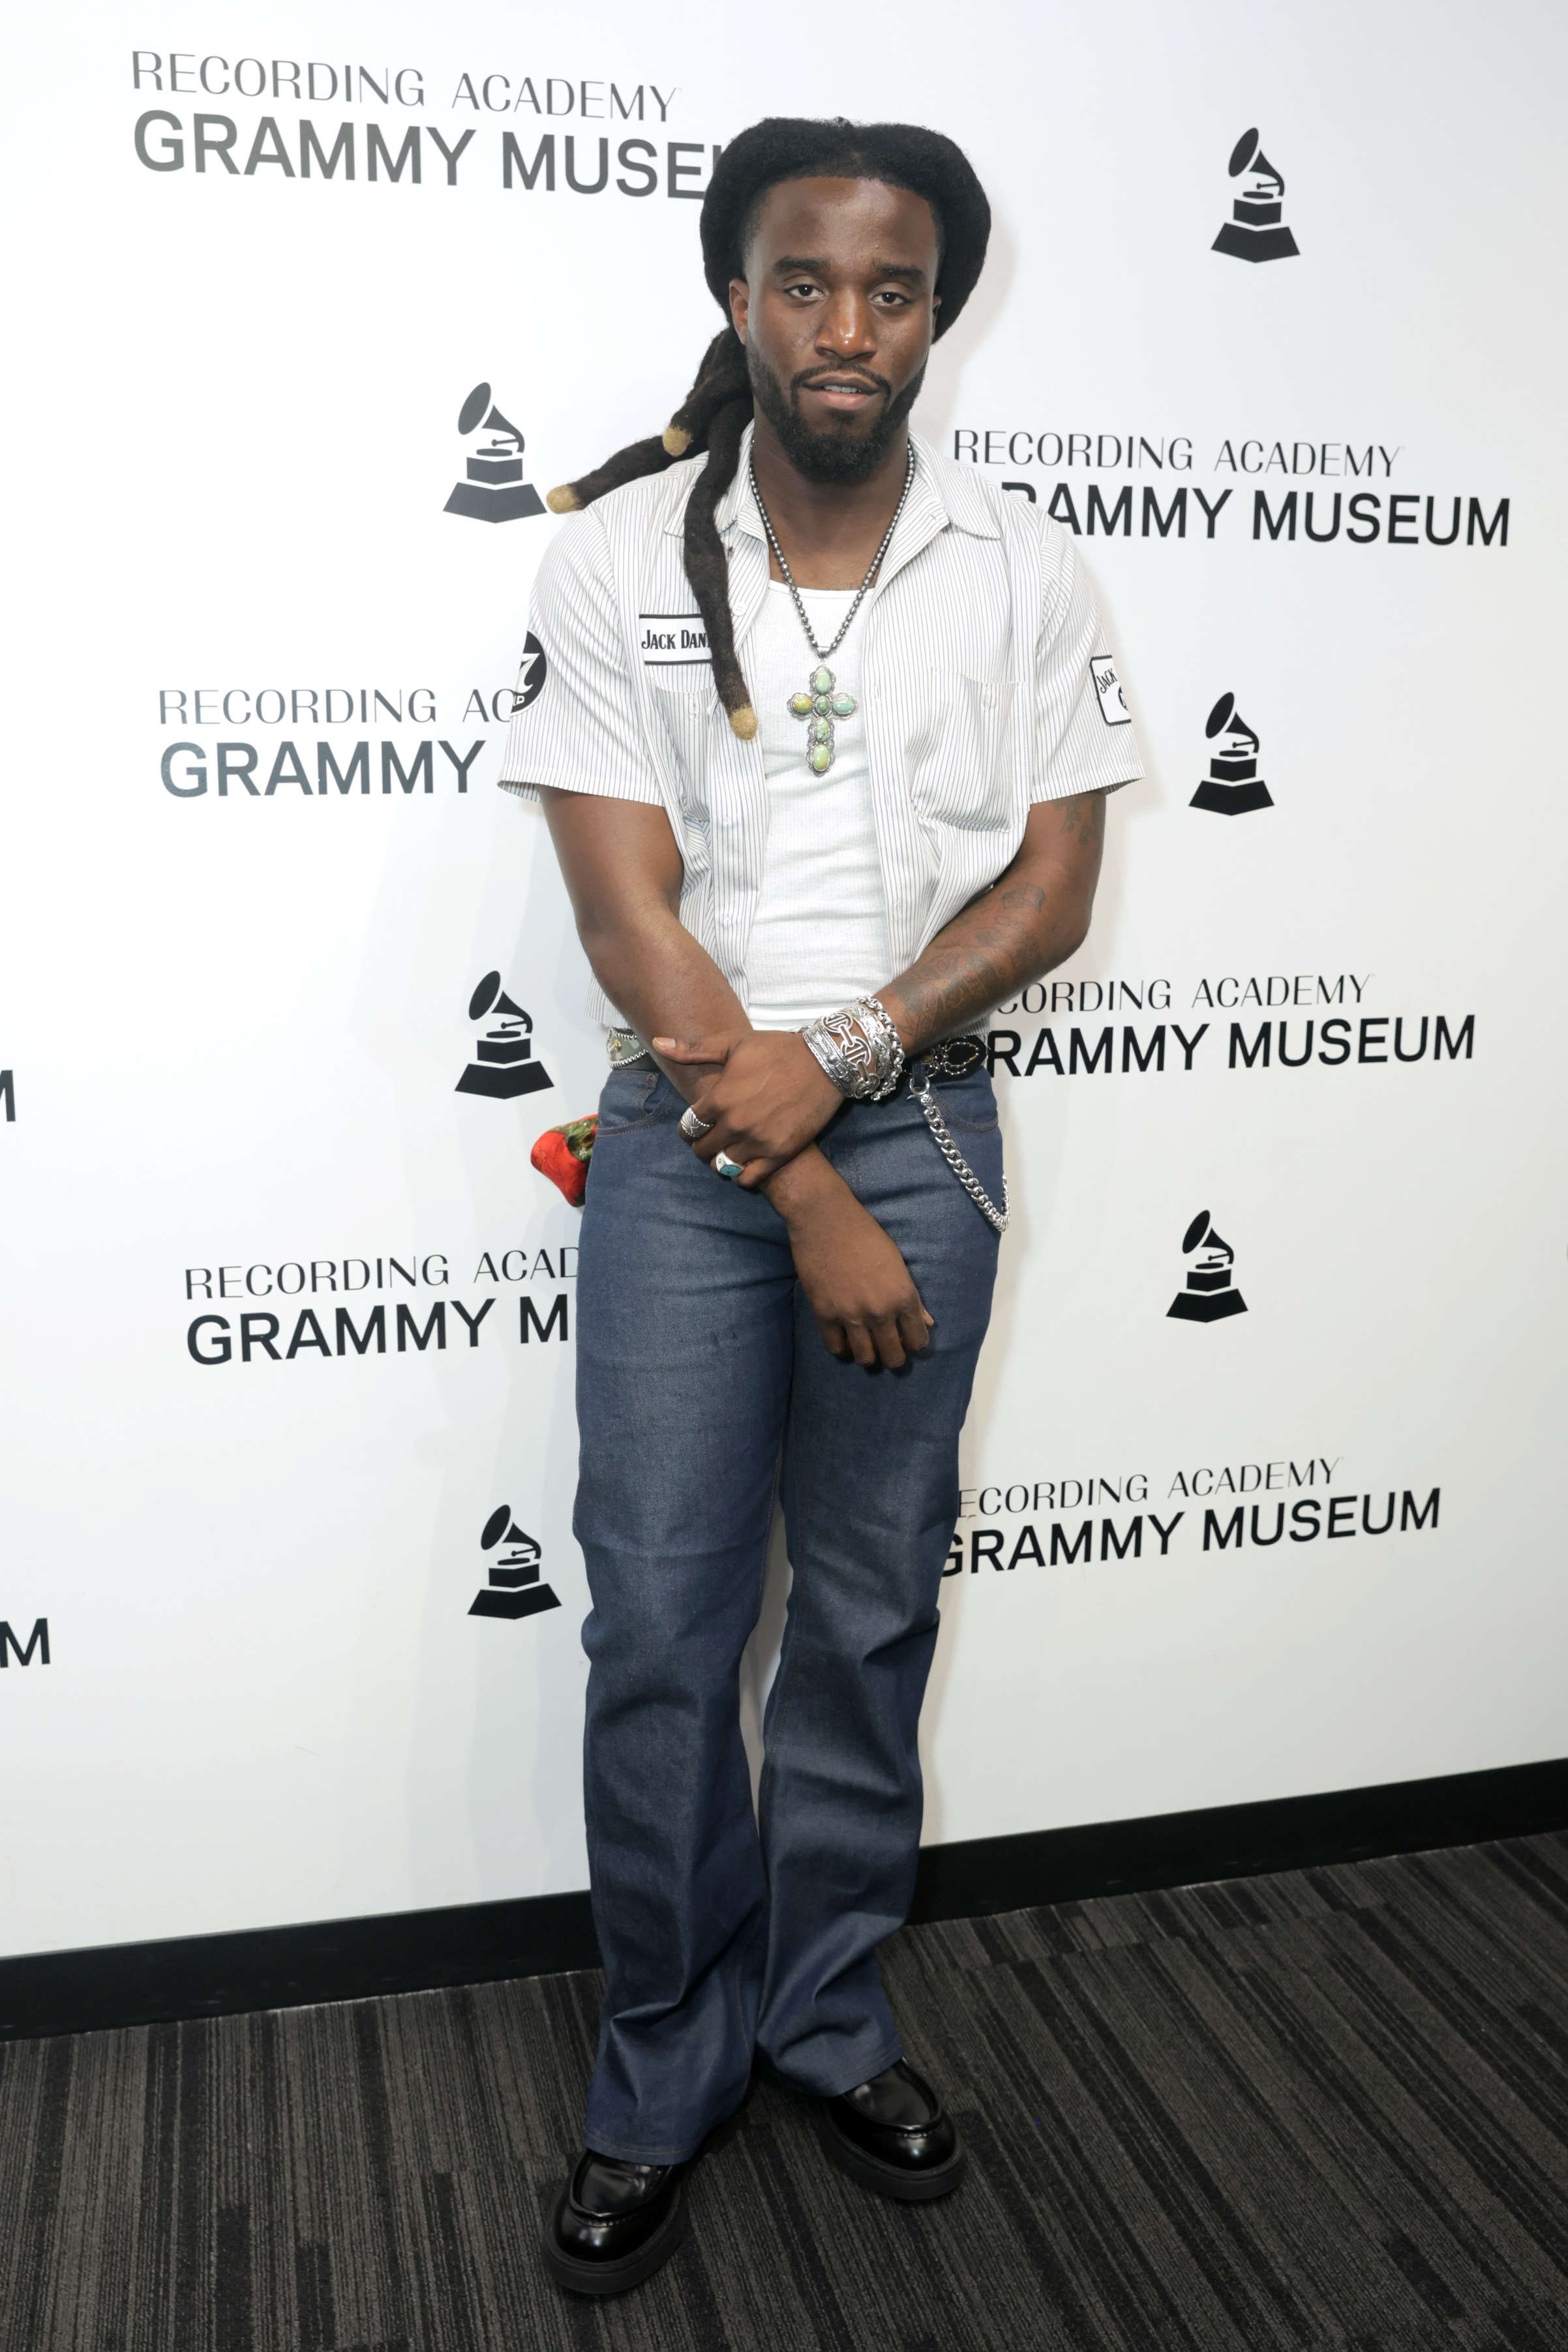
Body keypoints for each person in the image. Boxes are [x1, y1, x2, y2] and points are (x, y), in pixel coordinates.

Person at [498, 115, 1143, 2297]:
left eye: (886, 286)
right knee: (669, 1633)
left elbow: (1050, 892)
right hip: (689, 1153)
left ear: (937, 307)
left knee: (862, 1623)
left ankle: (825, 2017)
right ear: (736, 297)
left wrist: (847, 1078)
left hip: (924, 1130)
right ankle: (660, 2067)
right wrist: (793, 1178)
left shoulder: (1027, 566)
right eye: (799, 281)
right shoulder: (606, 562)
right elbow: (623, 918)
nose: (842, 325)